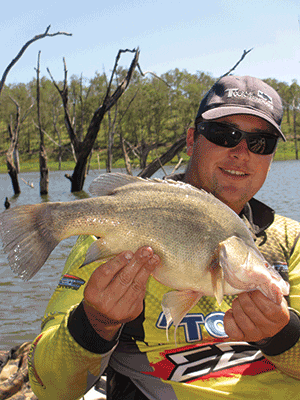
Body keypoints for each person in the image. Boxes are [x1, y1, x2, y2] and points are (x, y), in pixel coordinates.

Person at [28, 75, 300, 399]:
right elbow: (48, 387)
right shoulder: (105, 239)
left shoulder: (291, 239)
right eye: (224, 135)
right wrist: (96, 324)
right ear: (191, 140)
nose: (242, 152)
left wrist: (282, 336)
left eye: (260, 142)